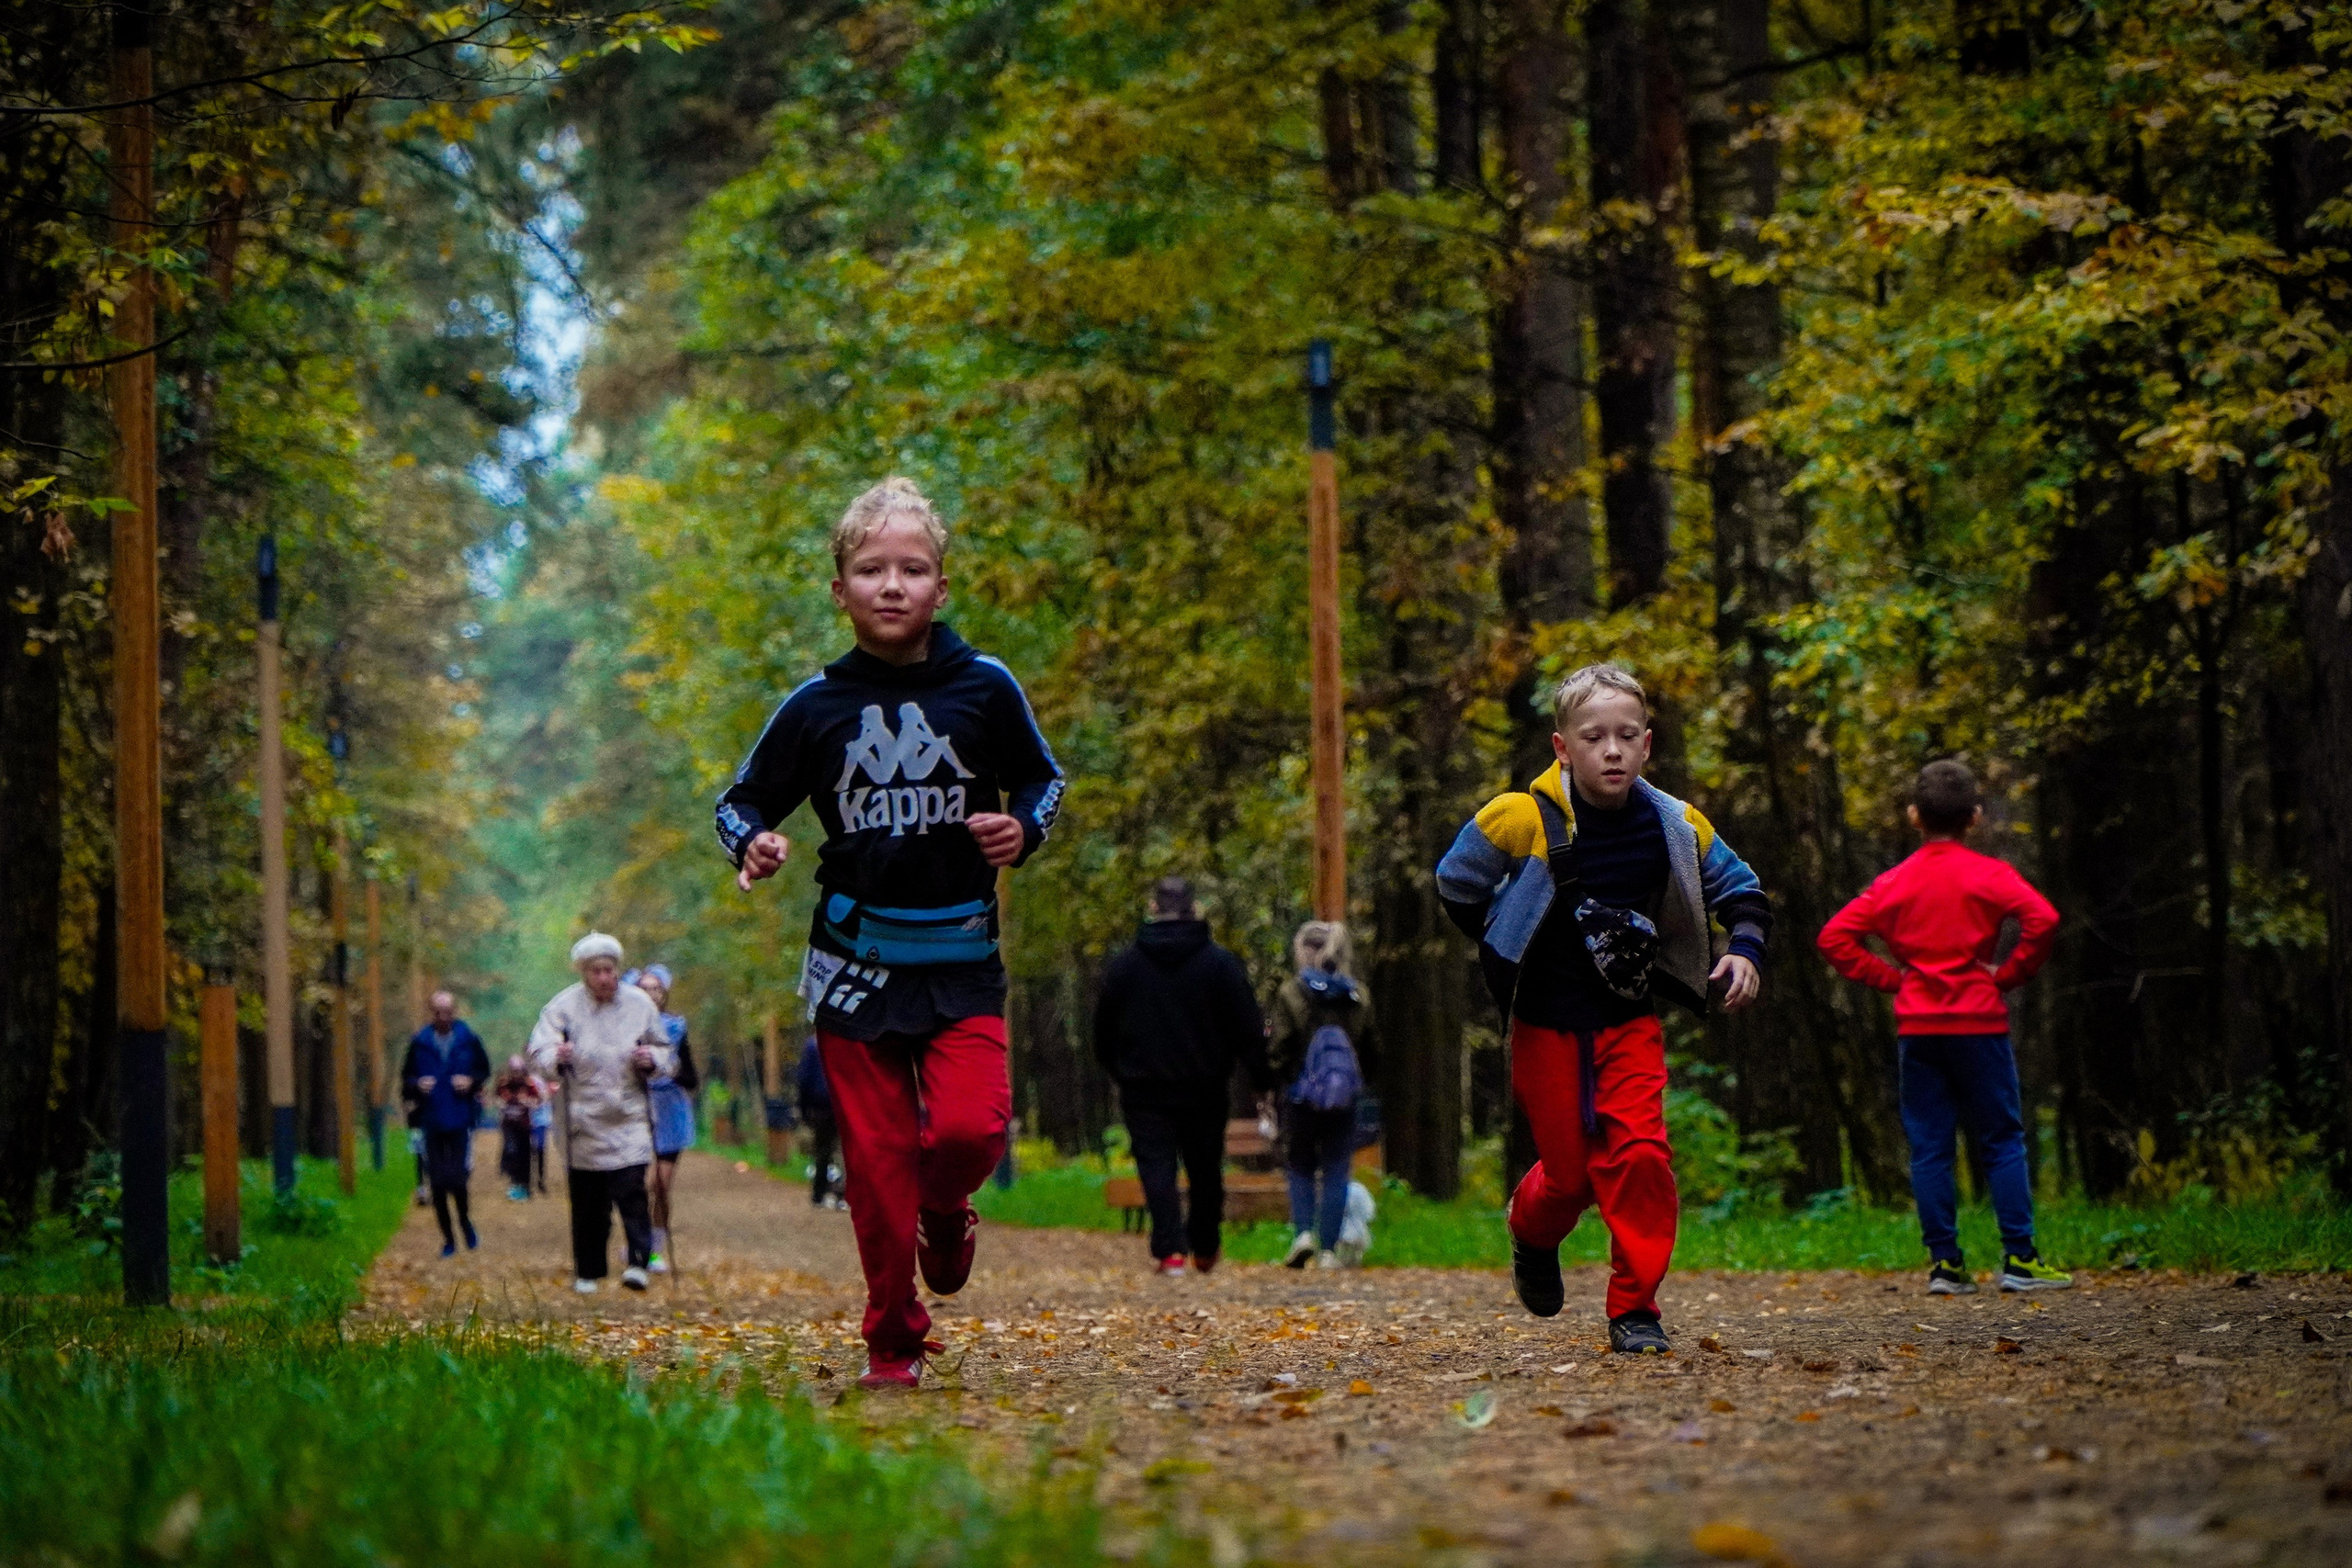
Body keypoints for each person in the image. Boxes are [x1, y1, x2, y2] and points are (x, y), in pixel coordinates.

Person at [717, 476, 1063, 1390]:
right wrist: (751, 842)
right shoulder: (814, 706)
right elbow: (739, 799)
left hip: (960, 959)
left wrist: (1021, 829)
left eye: (913, 568)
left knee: (965, 1131)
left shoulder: (985, 688)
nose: (893, 585)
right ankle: (892, 1340)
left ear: (941, 587)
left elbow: (1044, 781)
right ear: (840, 591)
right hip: (853, 966)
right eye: (871, 570)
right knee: (873, 1171)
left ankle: (946, 1210)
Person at [1436, 662, 1770, 1355]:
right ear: (1563, 747)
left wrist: (1744, 949)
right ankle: (1530, 1231)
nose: (1611, 750)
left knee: (1641, 1154)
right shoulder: (1517, 815)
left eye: (1625, 736)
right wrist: (1506, 937)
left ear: (1647, 744)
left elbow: (1741, 888)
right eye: (1593, 737)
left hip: (1627, 1020)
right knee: (1571, 1174)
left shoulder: (1675, 825)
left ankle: (1635, 1308)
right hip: (1544, 1024)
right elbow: (1456, 881)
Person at [1817, 759, 2071, 1294]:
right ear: (1975, 817)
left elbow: (1834, 938)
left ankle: (1946, 1266)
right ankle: (2021, 1260)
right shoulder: (1992, 876)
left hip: (1920, 1029)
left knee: (1930, 1145)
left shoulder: (1892, 884)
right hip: (1980, 1023)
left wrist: (1893, 980)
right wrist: (2007, 975)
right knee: (2001, 1139)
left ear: (1914, 816)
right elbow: (2044, 919)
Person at [1092, 875, 1270, 1277]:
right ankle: (1205, 1246)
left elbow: (1103, 1028)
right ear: (1195, 910)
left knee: (1156, 1167)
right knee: (1205, 1166)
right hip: (1205, 1085)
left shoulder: (1125, 966)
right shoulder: (1220, 965)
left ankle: (1170, 1251)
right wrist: (1262, 1074)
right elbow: (1246, 1025)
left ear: (1153, 909)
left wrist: (1118, 1069)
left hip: (1143, 1087)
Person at [526, 931, 673, 1294]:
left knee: (632, 1192)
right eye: (597, 971)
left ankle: (639, 1261)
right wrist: (554, 1058)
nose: (605, 977)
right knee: (588, 1201)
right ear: (584, 973)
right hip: (582, 1119)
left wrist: (651, 1060)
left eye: (610, 970)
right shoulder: (561, 1007)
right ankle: (588, 1269)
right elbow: (537, 1052)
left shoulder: (640, 1005)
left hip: (629, 1116)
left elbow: (665, 1051)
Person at [1266, 921, 1376, 1270]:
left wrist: (1283, 1080)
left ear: (1302, 950)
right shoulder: (1358, 994)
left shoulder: (1292, 993)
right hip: (1344, 1098)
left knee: (1299, 1166)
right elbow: (1371, 1047)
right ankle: (1329, 1250)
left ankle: (1303, 1235)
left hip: (1301, 1096)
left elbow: (1280, 1048)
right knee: (1336, 1169)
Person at [399, 991, 491, 1257]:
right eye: (438, 1012)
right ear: (431, 1013)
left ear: (455, 1012)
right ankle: (448, 1239)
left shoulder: (468, 1039)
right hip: (431, 1119)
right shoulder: (420, 1042)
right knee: (437, 1183)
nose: (443, 1017)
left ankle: (465, 1224)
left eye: (448, 1011)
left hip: (461, 1116)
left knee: (458, 1180)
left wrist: (471, 1082)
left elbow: (484, 1070)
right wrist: (417, 1085)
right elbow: (406, 1079)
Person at [630, 964, 700, 1274]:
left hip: (670, 1111)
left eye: (656, 988)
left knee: (660, 1183)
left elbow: (691, 1077)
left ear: (664, 993)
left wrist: (673, 1071)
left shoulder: (676, 1028)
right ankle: (638, 1244)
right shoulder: (625, 1027)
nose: (651, 994)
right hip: (635, 1110)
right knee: (636, 1185)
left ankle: (656, 1244)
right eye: (644, 988)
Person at [797, 1032, 846, 1209]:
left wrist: (803, 1109)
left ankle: (819, 1194)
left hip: (821, 1105)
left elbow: (804, 1079)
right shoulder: (846, 1041)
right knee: (844, 1150)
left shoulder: (812, 1045)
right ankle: (844, 1193)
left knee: (823, 1150)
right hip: (844, 1102)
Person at [495, 1055, 541, 1201]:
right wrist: (502, 1104)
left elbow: (539, 1099)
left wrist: (528, 1102)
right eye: (514, 1071)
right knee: (511, 1152)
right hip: (509, 1125)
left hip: (524, 1125)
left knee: (526, 1155)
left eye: (518, 1071)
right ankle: (514, 1183)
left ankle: (526, 1185)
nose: (516, 1074)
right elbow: (496, 1098)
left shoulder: (528, 1084)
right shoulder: (504, 1083)